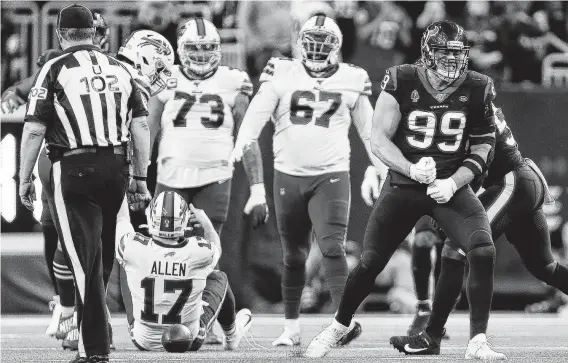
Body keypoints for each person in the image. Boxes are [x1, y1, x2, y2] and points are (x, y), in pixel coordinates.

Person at [305, 21, 505, 361]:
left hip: (449, 186)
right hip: (405, 183)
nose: (451, 61)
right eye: (444, 52)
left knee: (482, 250)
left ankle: (477, 341)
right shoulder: (402, 78)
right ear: (427, 52)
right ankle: (338, 326)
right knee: (370, 262)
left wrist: (454, 181)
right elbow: (378, 137)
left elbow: (485, 143)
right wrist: (410, 168)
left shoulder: (477, 86)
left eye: (457, 54)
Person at [230, 14, 387, 347]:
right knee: (294, 256)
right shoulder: (280, 70)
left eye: (323, 44)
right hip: (289, 175)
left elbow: (370, 131)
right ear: (299, 44)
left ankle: (342, 322)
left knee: (331, 247)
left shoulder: (351, 78)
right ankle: (291, 326)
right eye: (310, 43)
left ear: (336, 47)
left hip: (332, 174)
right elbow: (257, 113)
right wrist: (242, 141)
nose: (316, 51)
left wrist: (383, 168)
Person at [18, 5, 151, 362]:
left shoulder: (55, 66)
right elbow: (140, 126)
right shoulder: (121, 68)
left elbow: (33, 130)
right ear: (93, 33)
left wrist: (25, 176)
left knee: (84, 263)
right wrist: (140, 177)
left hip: (74, 168)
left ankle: (94, 349)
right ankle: (94, 336)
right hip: (115, 169)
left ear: (61, 34)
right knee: (100, 259)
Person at [389, 105, 568, 356]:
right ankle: (433, 332)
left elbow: (478, 164)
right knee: (544, 266)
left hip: (511, 182)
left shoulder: (463, 104)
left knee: (456, 249)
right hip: (521, 180)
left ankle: (432, 335)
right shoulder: (470, 98)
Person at [2, 12, 110, 351]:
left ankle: (82, 311)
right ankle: (68, 305)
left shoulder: (114, 64)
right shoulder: (55, 64)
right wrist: (15, 97)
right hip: (60, 158)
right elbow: (18, 93)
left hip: (90, 160)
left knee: (89, 239)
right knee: (59, 232)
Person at [115, 191, 253, 351]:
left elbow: (122, 219)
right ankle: (231, 335)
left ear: (151, 217)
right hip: (189, 339)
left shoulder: (134, 247)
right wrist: (206, 223)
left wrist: (123, 192)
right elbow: (217, 249)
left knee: (127, 263)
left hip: (143, 340)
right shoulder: (197, 251)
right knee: (218, 277)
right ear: (184, 220)